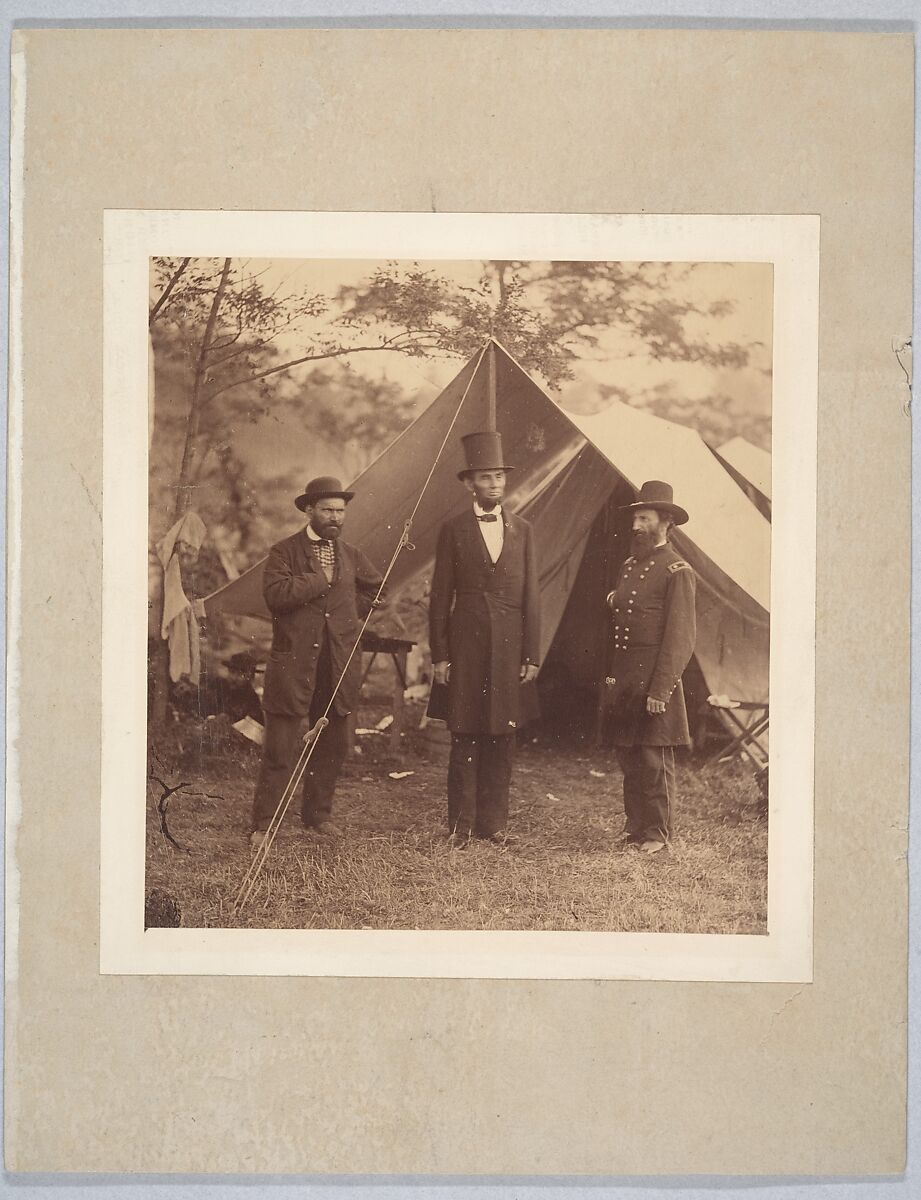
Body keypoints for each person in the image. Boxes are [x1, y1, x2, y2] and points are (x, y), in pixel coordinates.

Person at [250, 476, 385, 851]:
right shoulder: (284, 552)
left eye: (340, 511)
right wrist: (319, 580)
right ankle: (264, 823)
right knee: (281, 745)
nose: (335, 517)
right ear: (309, 510)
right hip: (294, 664)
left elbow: (377, 588)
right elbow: (276, 596)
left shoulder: (353, 555)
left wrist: (351, 614)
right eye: (327, 509)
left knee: (334, 743)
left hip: (337, 664)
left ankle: (317, 816)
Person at [429, 431, 540, 845]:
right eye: (486, 477)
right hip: (466, 643)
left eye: (499, 476)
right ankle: (460, 825)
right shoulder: (453, 530)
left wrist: (532, 654)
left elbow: (532, 595)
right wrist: (440, 655)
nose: (495, 484)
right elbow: (441, 596)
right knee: (465, 732)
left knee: (503, 735)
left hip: (510, 648)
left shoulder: (524, 529)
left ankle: (494, 825)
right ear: (469, 484)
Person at [604, 480, 697, 855]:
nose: (636, 526)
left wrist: (661, 689)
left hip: (655, 676)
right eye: (636, 518)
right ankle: (635, 826)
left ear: (666, 522)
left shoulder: (678, 570)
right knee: (628, 754)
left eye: (644, 518)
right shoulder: (630, 565)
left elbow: (680, 638)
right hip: (625, 676)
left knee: (652, 757)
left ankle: (657, 833)